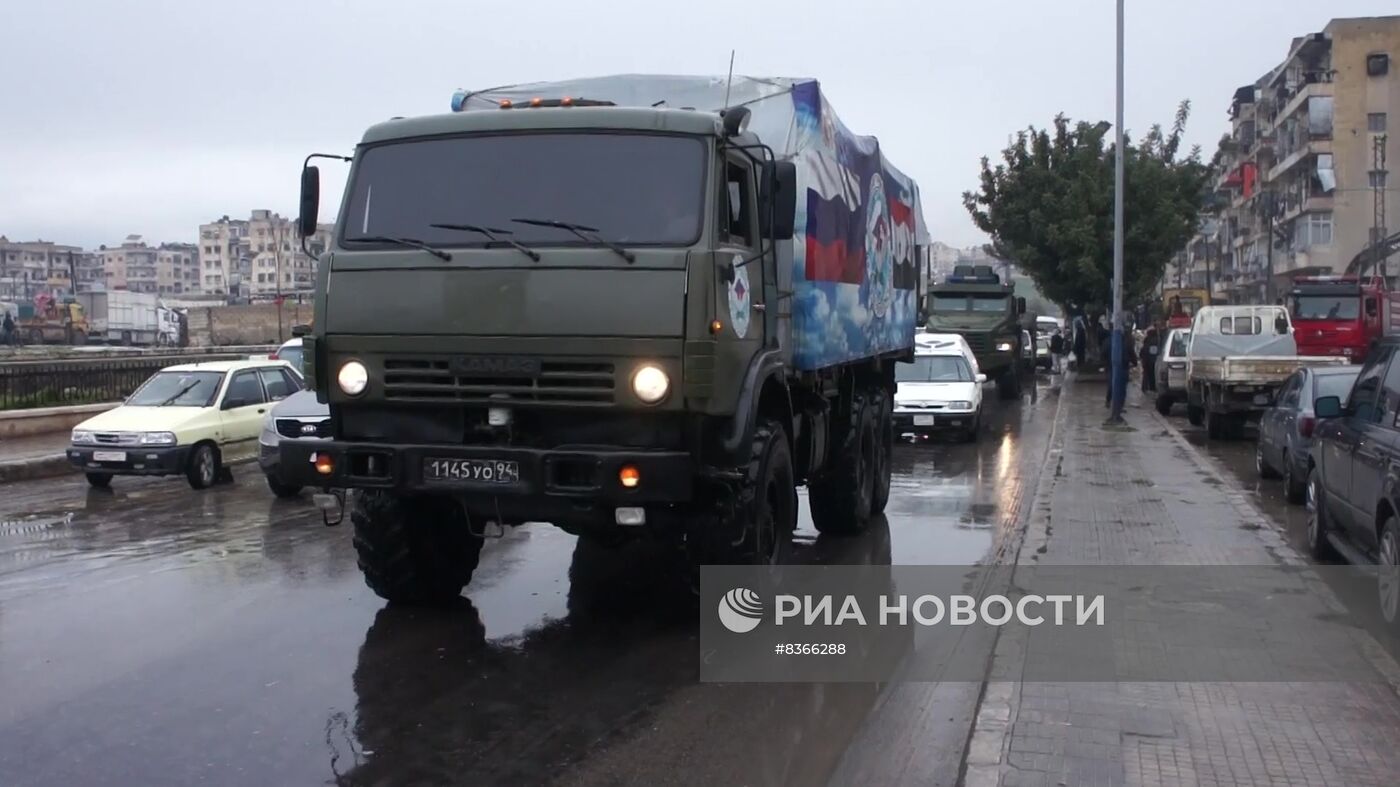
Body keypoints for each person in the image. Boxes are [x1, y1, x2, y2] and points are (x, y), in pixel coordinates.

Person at [1106, 328, 1138, 407]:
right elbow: (1131, 353)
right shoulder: (1126, 342)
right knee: (1120, 387)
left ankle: (1114, 403)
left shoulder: (1110, 340)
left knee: (1116, 385)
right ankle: (1117, 405)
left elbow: (1131, 353)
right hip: (1121, 366)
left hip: (1118, 366)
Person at [1139, 322, 1161, 393]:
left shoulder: (1147, 340)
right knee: (1153, 374)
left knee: (1146, 374)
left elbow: (1143, 351)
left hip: (1146, 360)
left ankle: (1145, 388)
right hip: (1153, 361)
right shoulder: (1157, 340)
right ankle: (1152, 388)